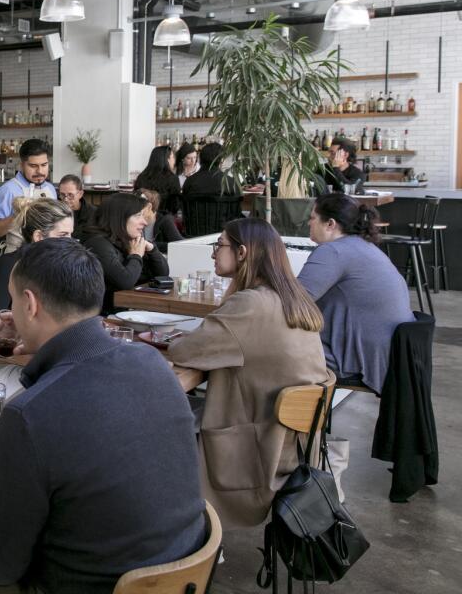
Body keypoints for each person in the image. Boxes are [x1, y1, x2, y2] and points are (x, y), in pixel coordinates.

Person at [0, 239, 206, 593]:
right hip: (181, 574)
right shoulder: (153, 363)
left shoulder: (31, 414)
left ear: (30, 304)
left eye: (13, 300)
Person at [168, 218, 331, 528]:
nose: (214, 253)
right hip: (297, 445)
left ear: (242, 252)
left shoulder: (250, 304)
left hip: (259, 448)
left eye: (219, 246)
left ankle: (193, 532)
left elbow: (184, 351)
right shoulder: (291, 296)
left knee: (161, 426)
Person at [298, 193, 413, 391]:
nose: (309, 222)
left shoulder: (333, 251)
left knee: (269, 346)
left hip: (357, 360)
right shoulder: (365, 247)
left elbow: (293, 302)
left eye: (313, 217)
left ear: (330, 224)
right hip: (386, 356)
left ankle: (284, 420)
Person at [0, 199, 74, 336]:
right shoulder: (9, 266)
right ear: (38, 236)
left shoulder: (58, 267)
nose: (70, 242)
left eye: (71, 234)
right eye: (63, 235)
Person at [82, 192, 169, 314]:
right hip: (105, 318)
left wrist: (152, 250)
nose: (144, 222)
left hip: (127, 311)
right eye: (138, 216)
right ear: (120, 218)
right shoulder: (98, 244)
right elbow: (125, 281)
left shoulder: (126, 240)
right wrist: (136, 256)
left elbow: (163, 274)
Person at [0, 139, 57, 240]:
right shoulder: (8, 190)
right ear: (21, 165)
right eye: (33, 166)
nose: (40, 171)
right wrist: (19, 216)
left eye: (44, 165)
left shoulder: (50, 189)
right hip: (18, 252)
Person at [134, 145, 181, 215]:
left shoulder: (141, 177)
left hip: (142, 218)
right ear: (167, 159)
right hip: (164, 220)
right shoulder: (172, 178)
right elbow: (175, 206)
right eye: (173, 157)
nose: (174, 160)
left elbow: (135, 200)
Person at [136, 188, 184, 254]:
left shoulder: (165, 221)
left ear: (150, 208)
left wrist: (149, 245)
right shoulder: (133, 220)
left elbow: (180, 244)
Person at [57, 174, 95, 239]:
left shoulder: (93, 213)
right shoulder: (55, 211)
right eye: (62, 194)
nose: (65, 199)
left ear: (80, 194)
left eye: (70, 195)